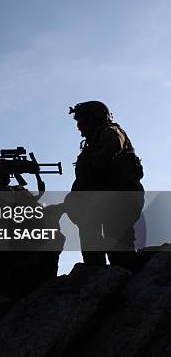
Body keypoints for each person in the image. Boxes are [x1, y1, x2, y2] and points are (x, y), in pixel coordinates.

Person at [66, 101, 144, 270]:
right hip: (105, 201)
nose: (79, 126)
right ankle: (96, 273)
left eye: (82, 120)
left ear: (95, 118)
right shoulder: (92, 142)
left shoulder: (111, 132)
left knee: (121, 255)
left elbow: (103, 159)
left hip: (119, 200)